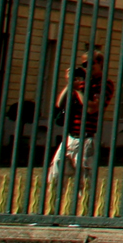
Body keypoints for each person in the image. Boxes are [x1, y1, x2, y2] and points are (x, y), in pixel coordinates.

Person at [47, 50, 112, 190]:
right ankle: (55, 208)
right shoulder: (81, 83)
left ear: (100, 63)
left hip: (87, 139)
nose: (87, 67)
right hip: (70, 137)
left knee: (84, 183)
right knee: (55, 177)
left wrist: (78, 91)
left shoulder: (105, 84)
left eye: (91, 63)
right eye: (84, 64)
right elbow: (59, 104)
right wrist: (70, 85)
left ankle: (84, 210)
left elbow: (92, 108)